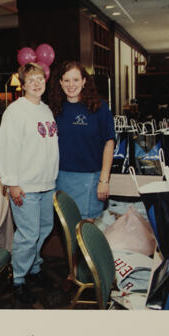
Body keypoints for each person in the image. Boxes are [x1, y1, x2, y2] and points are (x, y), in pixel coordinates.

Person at [0, 62, 59, 306]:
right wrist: (11, 182)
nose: (36, 83)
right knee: (28, 234)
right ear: (23, 84)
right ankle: (18, 279)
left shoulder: (45, 110)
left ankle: (33, 266)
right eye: (31, 79)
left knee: (43, 229)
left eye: (40, 78)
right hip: (25, 186)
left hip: (46, 184)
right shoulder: (15, 111)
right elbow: (6, 148)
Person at [48, 61, 115, 220]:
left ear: (84, 81)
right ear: (60, 82)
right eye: (66, 80)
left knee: (85, 231)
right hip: (60, 178)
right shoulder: (54, 109)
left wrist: (104, 179)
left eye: (76, 80)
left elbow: (109, 143)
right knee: (67, 229)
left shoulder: (99, 107)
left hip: (90, 178)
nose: (71, 85)